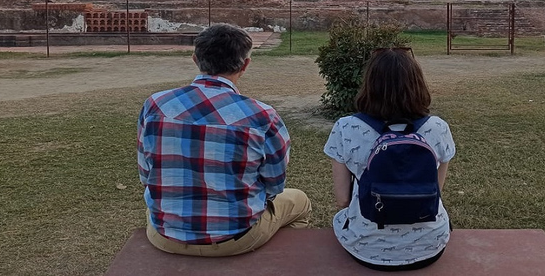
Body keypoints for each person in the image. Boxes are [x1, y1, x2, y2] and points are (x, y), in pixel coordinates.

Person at [138, 24, 311, 256]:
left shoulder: (155, 105)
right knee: (300, 202)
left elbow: (146, 175)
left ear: (195, 59)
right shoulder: (262, 116)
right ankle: (279, 262)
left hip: (165, 234)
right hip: (236, 236)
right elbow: (274, 184)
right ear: (244, 65)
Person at [324, 47, 456, 270]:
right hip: (430, 246)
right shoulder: (438, 127)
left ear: (369, 84)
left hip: (366, 248)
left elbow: (343, 200)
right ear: (417, 84)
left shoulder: (345, 127)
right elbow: (436, 190)